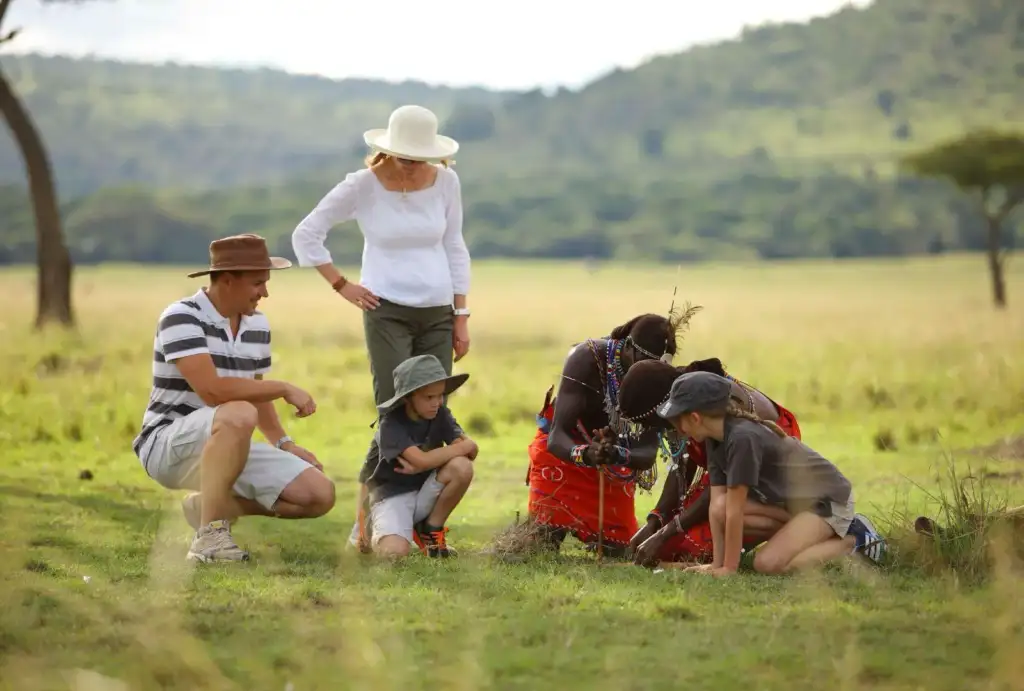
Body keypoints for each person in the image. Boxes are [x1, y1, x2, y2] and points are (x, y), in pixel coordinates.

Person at [289, 104, 471, 553]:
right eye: (405, 155)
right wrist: (341, 285)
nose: (412, 163)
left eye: (419, 156)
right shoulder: (362, 185)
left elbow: (454, 245)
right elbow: (306, 235)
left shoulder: (446, 181)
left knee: (432, 408)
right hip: (385, 309)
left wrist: (461, 315)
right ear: (386, 149)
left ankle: (426, 524)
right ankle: (364, 524)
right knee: (394, 412)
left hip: (437, 310)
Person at [131, 234, 336, 563]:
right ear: (227, 281)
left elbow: (254, 391)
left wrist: (284, 442)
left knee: (319, 494)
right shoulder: (180, 316)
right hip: (167, 444)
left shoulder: (257, 324)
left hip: (228, 440)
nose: (265, 293)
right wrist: (283, 388)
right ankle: (210, 537)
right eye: (258, 283)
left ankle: (206, 505)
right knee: (237, 412)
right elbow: (214, 391)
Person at [655, 371, 887, 576]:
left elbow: (735, 510)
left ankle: (855, 539)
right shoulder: (714, 439)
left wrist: (729, 569)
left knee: (768, 564)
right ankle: (804, 536)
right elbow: (718, 506)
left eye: (678, 420)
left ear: (695, 417)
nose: (677, 428)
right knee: (720, 508)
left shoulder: (742, 439)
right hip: (793, 505)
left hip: (827, 502)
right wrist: (716, 565)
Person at [524, 310, 694, 556]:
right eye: (644, 361)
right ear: (627, 347)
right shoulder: (587, 357)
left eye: (656, 364)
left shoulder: (656, 380)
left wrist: (615, 454)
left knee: (622, 551)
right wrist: (585, 454)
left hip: (612, 466)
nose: (648, 370)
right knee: (542, 544)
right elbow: (556, 438)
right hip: (563, 456)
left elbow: (646, 454)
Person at [613, 358, 799, 567]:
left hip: (765, 468)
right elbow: (684, 466)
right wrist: (655, 522)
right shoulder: (686, 406)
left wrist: (665, 533)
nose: (650, 429)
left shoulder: (706, 408)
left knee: (690, 548)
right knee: (670, 545)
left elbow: (720, 486)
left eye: (648, 422)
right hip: (728, 475)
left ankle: (797, 525)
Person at [361, 354, 477, 558]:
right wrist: (459, 448)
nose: (437, 403)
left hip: (424, 493)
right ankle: (372, 527)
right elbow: (421, 460)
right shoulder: (391, 424)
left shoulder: (441, 414)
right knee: (394, 555)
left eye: (440, 395)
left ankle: (431, 528)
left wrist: (458, 450)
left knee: (462, 466)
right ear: (408, 397)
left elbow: (472, 451)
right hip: (392, 497)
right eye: (429, 397)